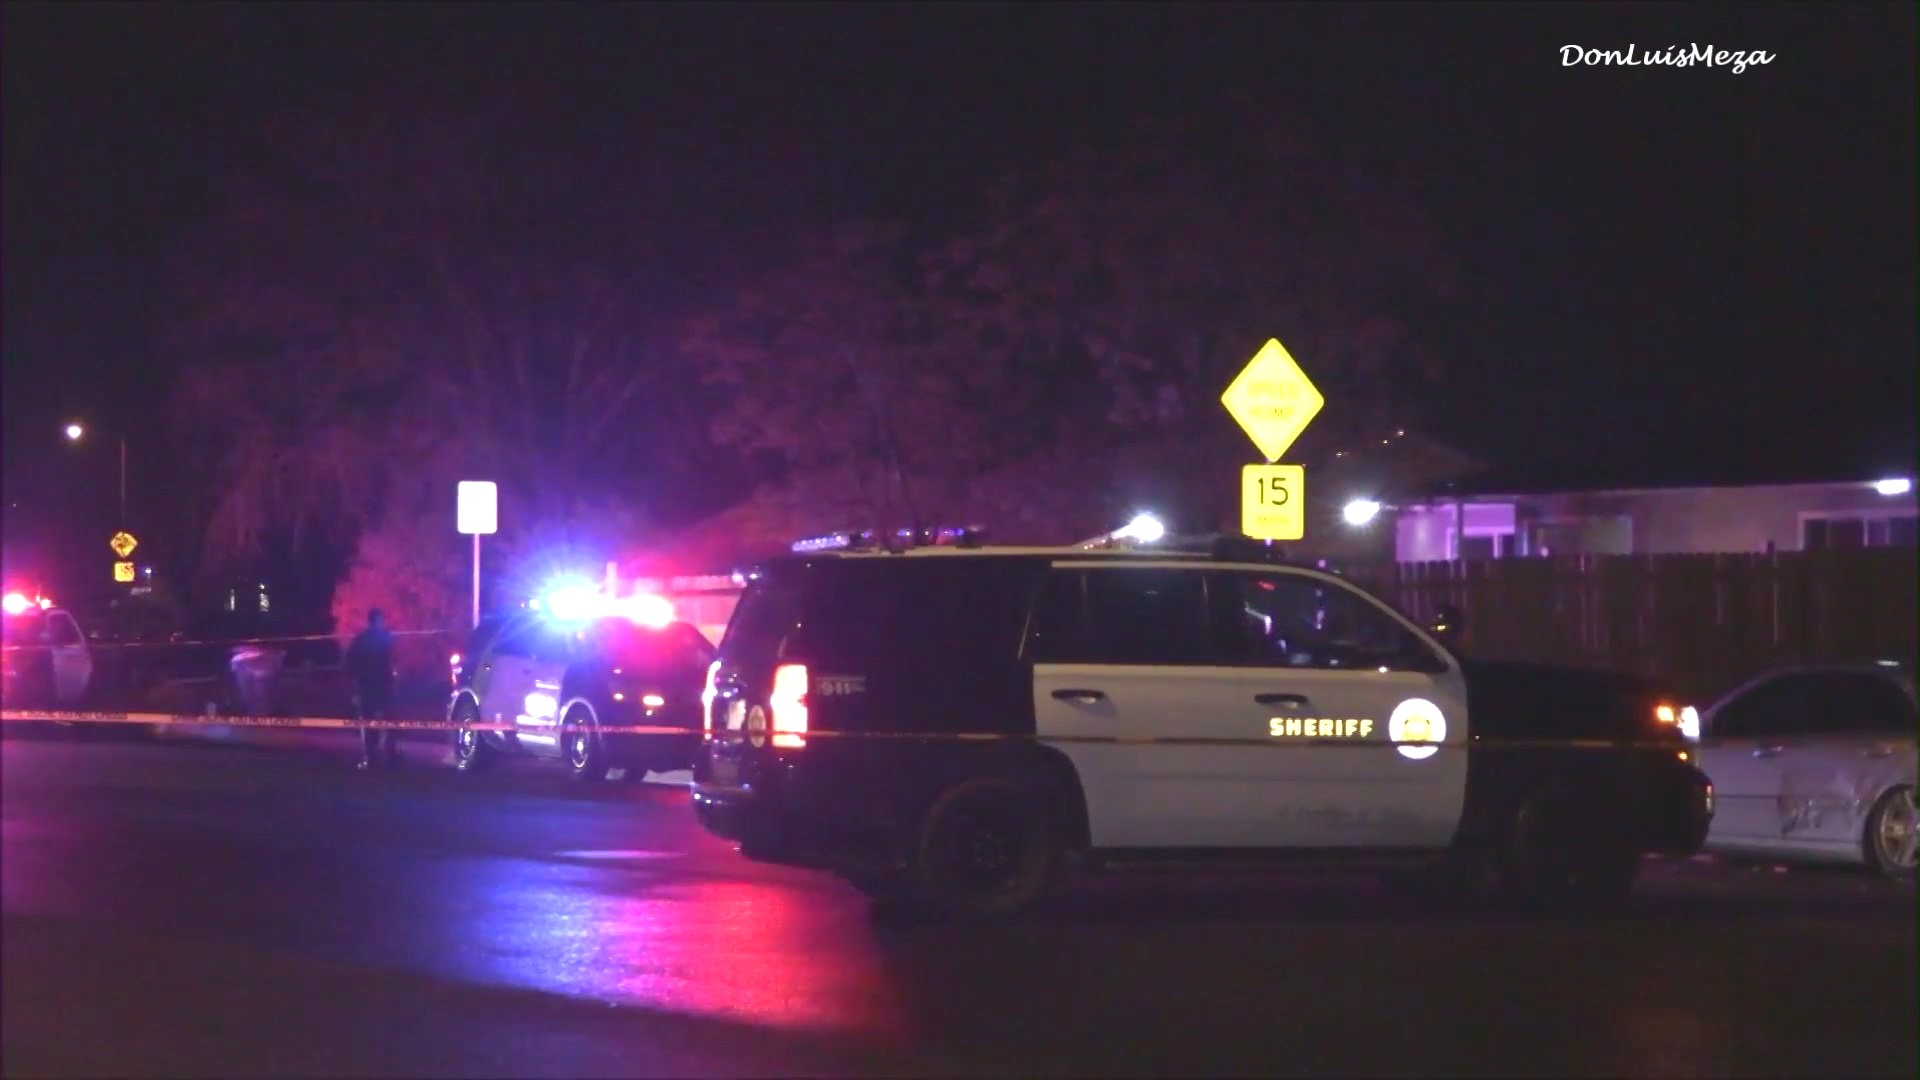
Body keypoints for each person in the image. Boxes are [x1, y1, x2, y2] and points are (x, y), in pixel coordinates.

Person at [344, 609, 397, 770]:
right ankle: (385, 755)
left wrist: (354, 685)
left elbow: (349, 665)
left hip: (368, 686)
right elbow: (390, 662)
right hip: (377, 686)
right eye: (381, 620)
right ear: (377, 621)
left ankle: (372, 756)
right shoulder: (385, 639)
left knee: (370, 723)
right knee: (384, 721)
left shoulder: (361, 640)